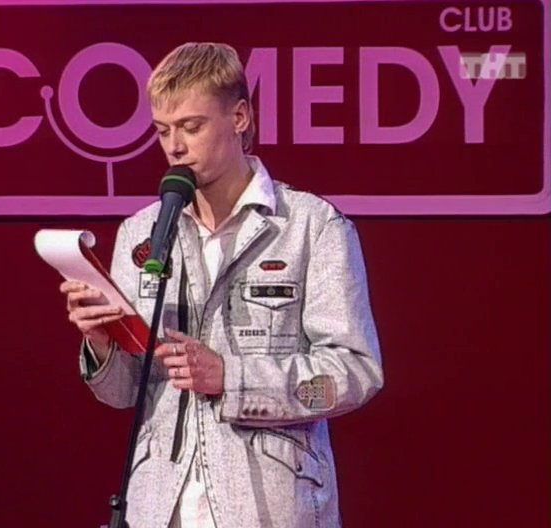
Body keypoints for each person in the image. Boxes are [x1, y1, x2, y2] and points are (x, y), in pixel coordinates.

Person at [61, 42, 383, 528]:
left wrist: (232, 378)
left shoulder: (312, 227)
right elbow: (124, 392)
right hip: (159, 510)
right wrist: (101, 342)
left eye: (191, 126)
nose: (174, 146)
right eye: (163, 130)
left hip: (272, 511)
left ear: (239, 117)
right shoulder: (141, 233)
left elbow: (353, 376)